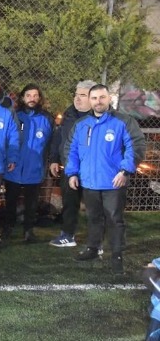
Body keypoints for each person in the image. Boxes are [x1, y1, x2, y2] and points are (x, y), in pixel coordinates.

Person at [65, 84, 146, 275]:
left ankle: (117, 255)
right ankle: (93, 248)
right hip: (89, 182)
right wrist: (72, 173)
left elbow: (136, 145)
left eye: (102, 97)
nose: (98, 102)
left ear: (109, 98)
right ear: (89, 100)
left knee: (114, 219)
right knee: (93, 217)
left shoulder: (123, 121)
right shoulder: (81, 124)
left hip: (113, 181)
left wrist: (124, 171)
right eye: (94, 98)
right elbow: (71, 149)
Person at [0, 84, 54, 242]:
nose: (32, 99)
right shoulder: (14, 116)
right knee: (10, 200)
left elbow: (50, 144)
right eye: (28, 95)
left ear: (39, 98)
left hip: (34, 167)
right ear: (23, 98)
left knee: (32, 202)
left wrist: (47, 162)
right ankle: (7, 228)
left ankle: (29, 231)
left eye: (35, 95)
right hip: (14, 167)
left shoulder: (47, 119)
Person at [48, 80, 97, 247]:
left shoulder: (101, 117)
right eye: (76, 94)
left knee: (95, 206)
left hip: (92, 170)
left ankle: (96, 240)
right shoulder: (68, 114)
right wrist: (54, 159)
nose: (77, 98)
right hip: (70, 168)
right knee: (69, 203)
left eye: (82, 95)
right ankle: (68, 235)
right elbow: (59, 138)